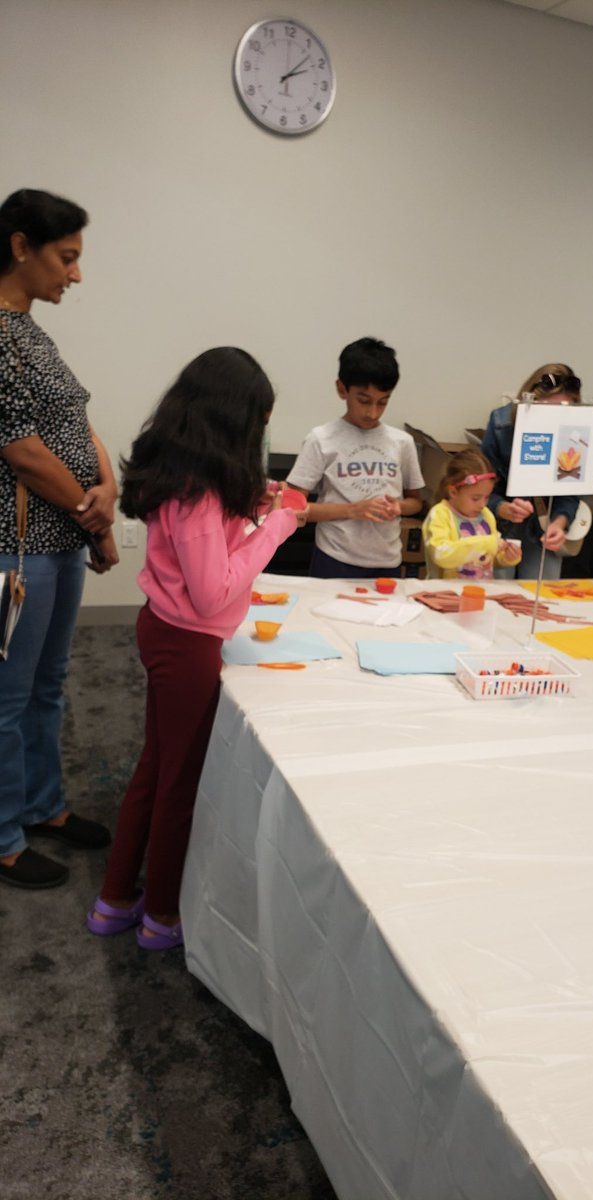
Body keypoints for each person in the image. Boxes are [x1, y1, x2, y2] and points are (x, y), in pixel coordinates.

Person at [87, 347, 306, 949]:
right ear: (232, 422)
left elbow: (202, 554)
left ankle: (113, 901)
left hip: (165, 630)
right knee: (177, 783)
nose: (261, 435)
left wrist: (250, 508)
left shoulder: (186, 476)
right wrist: (278, 527)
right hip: (187, 645)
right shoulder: (199, 495)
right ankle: (160, 916)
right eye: (258, 424)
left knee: (155, 770)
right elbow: (214, 594)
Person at [0, 188, 119, 891]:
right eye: (66, 258)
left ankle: (43, 806)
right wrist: (89, 508)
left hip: (62, 540)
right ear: (21, 246)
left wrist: (107, 501)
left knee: (48, 684)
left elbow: (77, 422)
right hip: (15, 552)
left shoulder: (33, 331)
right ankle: (5, 834)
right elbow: (20, 449)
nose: (75, 275)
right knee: (8, 697)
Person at [286, 337, 424, 578]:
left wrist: (398, 507)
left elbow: (416, 503)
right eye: (364, 401)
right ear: (342, 389)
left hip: (388, 560)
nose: (373, 412)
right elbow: (291, 506)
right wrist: (354, 510)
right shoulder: (321, 439)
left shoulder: (402, 442)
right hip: (335, 558)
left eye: (383, 402)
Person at [480, 364, 584, 580]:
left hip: (545, 527)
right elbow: (482, 487)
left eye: (563, 412)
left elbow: (571, 492)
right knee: (499, 594)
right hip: (503, 527)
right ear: (530, 402)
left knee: (544, 595)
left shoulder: (578, 429)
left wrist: (560, 522)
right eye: (547, 411)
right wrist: (502, 508)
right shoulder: (502, 424)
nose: (554, 420)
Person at [422, 449, 523, 580]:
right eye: (475, 498)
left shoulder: (486, 515)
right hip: (446, 593)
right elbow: (440, 554)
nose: (482, 504)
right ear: (453, 492)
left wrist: (507, 557)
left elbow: (490, 560)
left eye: (487, 497)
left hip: (480, 591)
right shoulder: (440, 514)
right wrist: (487, 544)